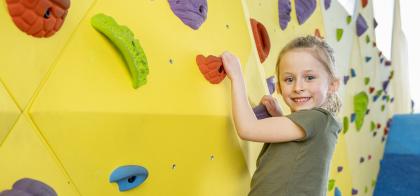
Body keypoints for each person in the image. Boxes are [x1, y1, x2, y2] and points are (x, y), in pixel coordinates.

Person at [221, 35, 342, 196]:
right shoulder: (317, 123)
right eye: (289, 79)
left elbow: (248, 129)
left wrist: (237, 77)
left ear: (332, 85)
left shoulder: (318, 118)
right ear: (278, 87)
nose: (298, 87)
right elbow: (294, 152)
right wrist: (279, 116)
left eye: (310, 77)